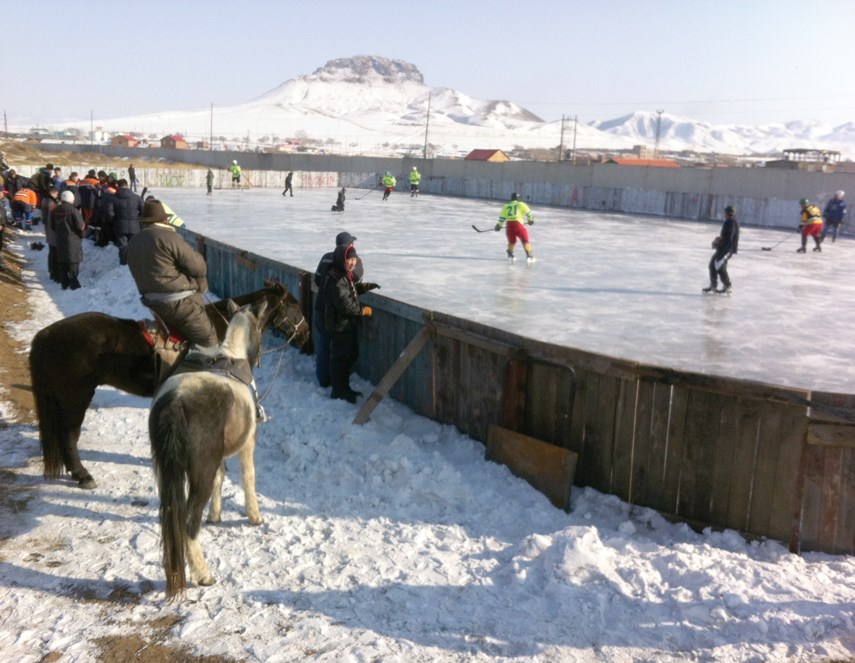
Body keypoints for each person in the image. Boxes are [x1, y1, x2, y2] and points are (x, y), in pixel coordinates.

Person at [125, 199, 218, 347]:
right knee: (209, 340)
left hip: (151, 302)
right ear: (165, 219)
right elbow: (197, 266)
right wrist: (200, 281)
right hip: (177, 303)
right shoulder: (168, 237)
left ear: (145, 222)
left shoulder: (134, 242)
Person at [314, 232, 380, 390]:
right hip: (335, 317)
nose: (352, 261)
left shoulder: (326, 258)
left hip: (320, 308)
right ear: (348, 246)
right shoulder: (343, 268)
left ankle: (325, 381)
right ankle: (338, 386)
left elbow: (317, 279)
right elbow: (351, 282)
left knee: (324, 347)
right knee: (340, 353)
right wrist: (363, 310)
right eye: (352, 244)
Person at [51, 190, 86, 290]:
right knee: (73, 261)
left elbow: (52, 225)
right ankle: (74, 282)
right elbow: (81, 226)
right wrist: (81, 235)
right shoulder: (73, 211)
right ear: (71, 199)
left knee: (62, 261)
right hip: (73, 240)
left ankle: (64, 283)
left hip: (60, 239)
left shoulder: (55, 210)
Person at [702, 205, 740, 294]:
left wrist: (720, 241)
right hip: (724, 249)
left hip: (727, 250)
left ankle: (727, 285)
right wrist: (720, 240)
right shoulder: (730, 221)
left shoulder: (730, 222)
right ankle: (713, 285)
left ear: (727, 213)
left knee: (719, 267)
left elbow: (729, 237)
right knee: (712, 265)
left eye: (725, 212)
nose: (724, 213)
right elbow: (727, 236)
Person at [105, 178, 142, 264]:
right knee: (134, 246)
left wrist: (115, 220)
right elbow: (144, 210)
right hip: (135, 227)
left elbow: (109, 213)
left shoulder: (113, 198)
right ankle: (134, 264)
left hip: (120, 226)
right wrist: (138, 219)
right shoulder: (136, 197)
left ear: (118, 186)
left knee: (122, 247)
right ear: (127, 185)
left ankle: (123, 264)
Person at [495, 192, 535, 262]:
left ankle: (510, 253)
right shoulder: (521, 204)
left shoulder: (506, 206)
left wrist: (499, 225)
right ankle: (529, 255)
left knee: (512, 241)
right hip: (518, 225)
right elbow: (528, 213)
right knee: (525, 239)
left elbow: (502, 217)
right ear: (519, 198)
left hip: (509, 225)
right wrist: (530, 220)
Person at [41, 187, 61, 282]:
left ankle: (52, 271)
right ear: (53, 193)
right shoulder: (50, 202)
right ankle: (54, 272)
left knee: (52, 251)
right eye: (56, 194)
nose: (57, 195)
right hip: (52, 229)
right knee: (54, 251)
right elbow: (51, 216)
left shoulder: (45, 199)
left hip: (49, 228)